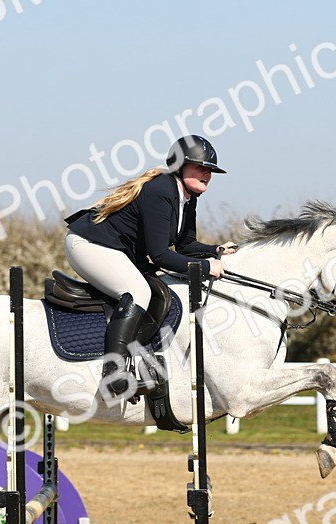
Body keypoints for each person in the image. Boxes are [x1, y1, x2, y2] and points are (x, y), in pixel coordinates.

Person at [64, 135, 237, 397]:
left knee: (163, 286)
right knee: (138, 292)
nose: (207, 174)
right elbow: (160, 256)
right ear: (180, 166)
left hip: (117, 250)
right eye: (200, 167)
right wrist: (205, 267)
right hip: (89, 244)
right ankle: (113, 374)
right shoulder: (161, 190)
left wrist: (215, 250)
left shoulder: (188, 198)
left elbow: (185, 245)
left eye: (210, 170)